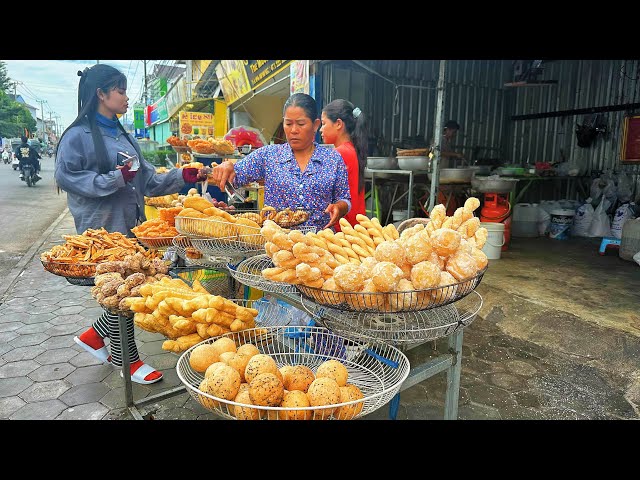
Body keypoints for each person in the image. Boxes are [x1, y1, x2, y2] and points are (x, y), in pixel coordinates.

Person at [54, 63, 207, 385]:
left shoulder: (122, 135)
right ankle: (127, 359)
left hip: (131, 225)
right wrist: (116, 178)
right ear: (101, 94)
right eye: (120, 91)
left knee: (129, 289)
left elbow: (149, 181)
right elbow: (67, 177)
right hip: (103, 230)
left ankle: (94, 337)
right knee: (126, 293)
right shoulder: (77, 136)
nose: (126, 98)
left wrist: (183, 176)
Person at [211, 92, 351, 230]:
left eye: (301, 124)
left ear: (315, 125)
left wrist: (339, 207)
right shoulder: (269, 155)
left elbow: (345, 199)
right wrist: (228, 166)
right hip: (277, 244)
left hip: (319, 243)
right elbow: (235, 175)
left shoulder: (332, 159)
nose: (294, 130)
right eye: (288, 123)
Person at [320, 99, 367, 231]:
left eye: (323, 123)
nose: (321, 130)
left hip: (343, 229)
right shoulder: (351, 149)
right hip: (354, 227)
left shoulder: (340, 153)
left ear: (338, 124)